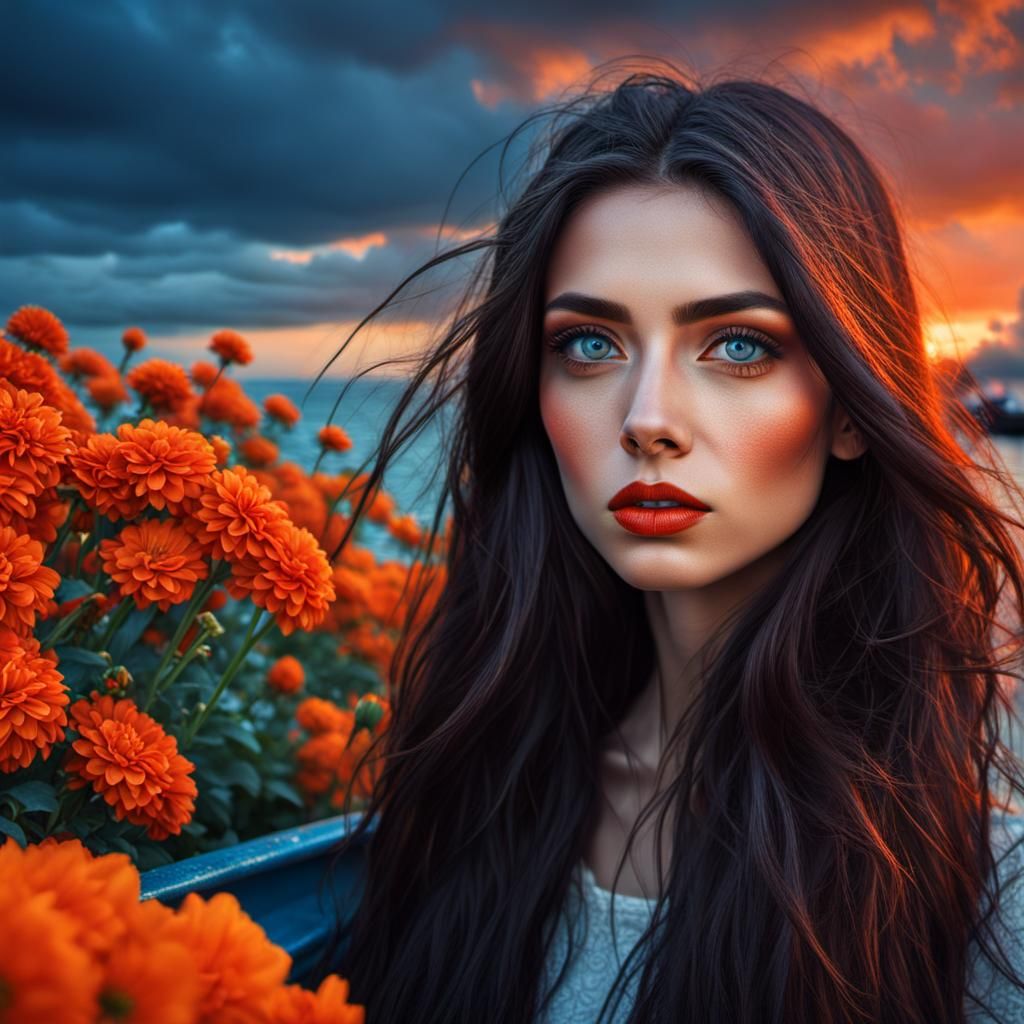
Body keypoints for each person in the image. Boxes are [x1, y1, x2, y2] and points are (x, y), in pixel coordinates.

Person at [314, 59, 1024, 1023]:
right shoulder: (469, 789)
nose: (647, 419)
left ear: (853, 410)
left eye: (739, 345)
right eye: (589, 345)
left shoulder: (988, 899)